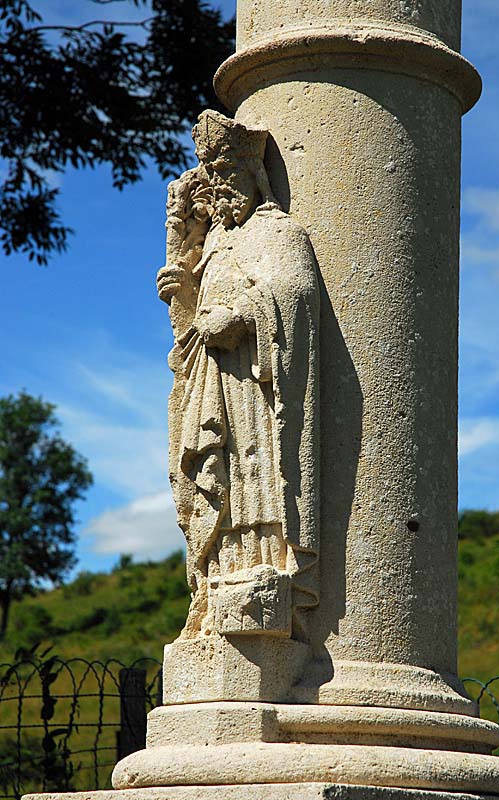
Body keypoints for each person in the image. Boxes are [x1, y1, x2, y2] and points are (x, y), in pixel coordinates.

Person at [158, 110, 320, 641]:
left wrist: (245, 315)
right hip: (216, 380)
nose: (223, 191)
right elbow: (189, 332)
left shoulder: (279, 233)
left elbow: (294, 295)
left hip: (257, 384)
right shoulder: (219, 245)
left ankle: (267, 569)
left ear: (255, 176)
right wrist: (182, 293)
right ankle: (222, 573)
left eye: (230, 178)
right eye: (216, 181)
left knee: (260, 475)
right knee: (217, 479)